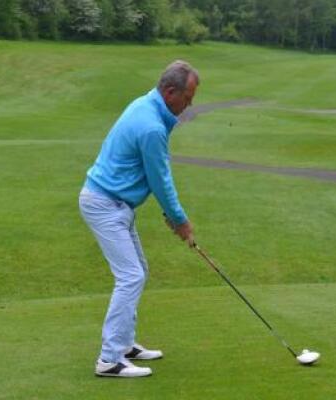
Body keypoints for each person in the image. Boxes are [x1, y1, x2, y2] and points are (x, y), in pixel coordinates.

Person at [79, 60, 199, 378]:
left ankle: (125, 343)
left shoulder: (146, 105)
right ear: (170, 91)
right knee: (130, 276)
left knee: (138, 271)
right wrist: (181, 221)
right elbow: (161, 180)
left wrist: (173, 218)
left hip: (116, 204)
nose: (190, 105)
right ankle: (109, 359)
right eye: (187, 98)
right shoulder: (151, 126)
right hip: (105, 204)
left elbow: (151, 177)